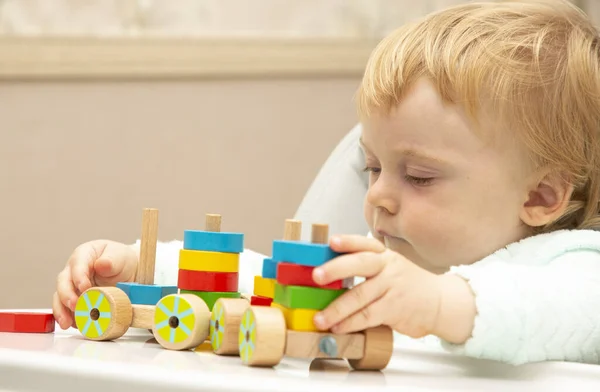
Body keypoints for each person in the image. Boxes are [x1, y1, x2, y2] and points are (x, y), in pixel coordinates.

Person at [53, 0, 600, 366]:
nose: (378, 196)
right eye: (373, 167)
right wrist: (146, 270)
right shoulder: (385, 265)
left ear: (540, 197)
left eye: (420, 177)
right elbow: (271, 287)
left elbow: (542, 313)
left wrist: (434, 303)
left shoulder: (574, 266)